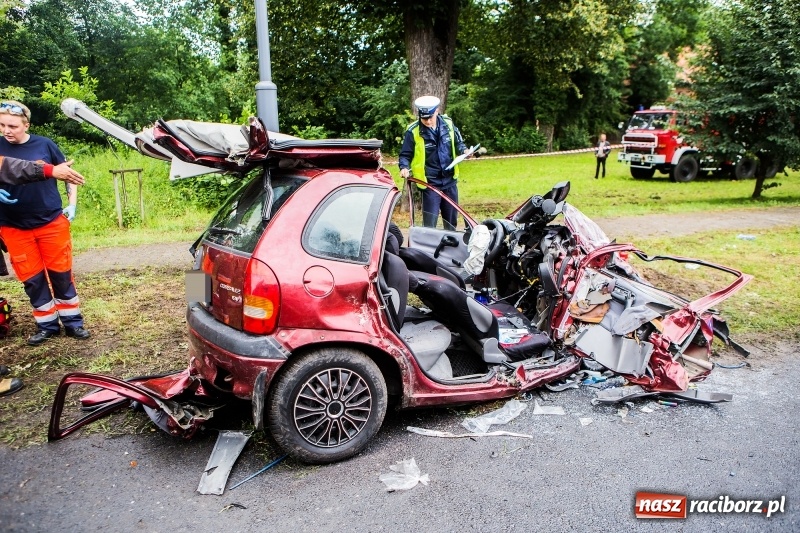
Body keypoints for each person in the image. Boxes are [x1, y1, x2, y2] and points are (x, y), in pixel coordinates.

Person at [0, 100, 89, 346]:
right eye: (2, 125)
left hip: (50, 220)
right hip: (13, 225)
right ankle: (46, 324)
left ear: (26, 124)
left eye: (13, 126)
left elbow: (67, 175)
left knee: (61, 273)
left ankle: (73, 322)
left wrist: (72, 203)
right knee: (32, 278)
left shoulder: (44, 144)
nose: (7, 130)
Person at [399, 95, 469, 230]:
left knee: (451, 223)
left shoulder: (448, 124)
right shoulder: (413, 131)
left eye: (430, 117)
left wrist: (465, 151)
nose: (427, 121)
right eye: (424, 118)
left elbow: (459, 143)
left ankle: (450, 248)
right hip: (430, 183)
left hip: (449, 181)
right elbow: (405, 155)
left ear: (437, 111)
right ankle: (428, 249)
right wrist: (404, 167)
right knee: (429, 226)